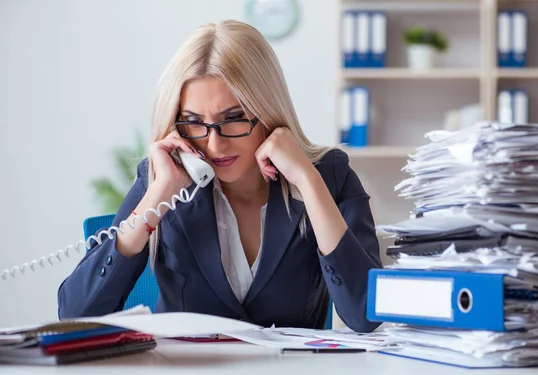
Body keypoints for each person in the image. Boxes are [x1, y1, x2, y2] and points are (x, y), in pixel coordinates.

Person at [57, 20, 382, 332]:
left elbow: (365, 315)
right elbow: (76, 314)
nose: (214, 143)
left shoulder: (329, 175)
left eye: (234, 118)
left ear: (267, 111)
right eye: (193, 122)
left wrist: (309, 183)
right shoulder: (164, 179)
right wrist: (156, 198)